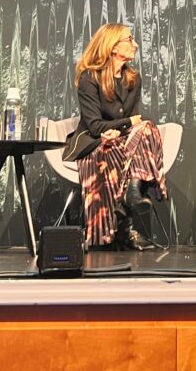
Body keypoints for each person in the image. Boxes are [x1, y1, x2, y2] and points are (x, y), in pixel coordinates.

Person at [72, 23, 169, 251]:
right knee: (113, 148)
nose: (135, 44)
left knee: (147, 127)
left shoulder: (133, 79)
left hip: (125, 144)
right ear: (113, 46)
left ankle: (132, 189)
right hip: (95, 145)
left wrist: (125, 128)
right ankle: (126, 211)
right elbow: (94, 125)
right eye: (129, 39)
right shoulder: (89, 79)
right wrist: (123, 126)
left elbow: (136, 124)